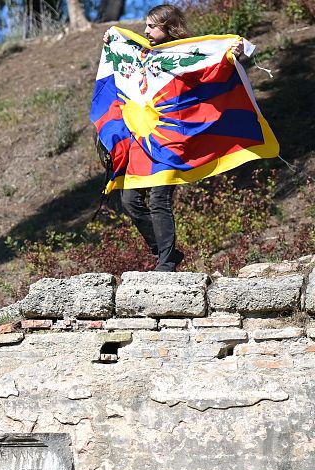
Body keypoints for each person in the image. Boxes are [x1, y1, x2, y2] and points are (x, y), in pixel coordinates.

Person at [102, 5, 243, 272]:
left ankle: (165, 263)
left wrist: (231, 55)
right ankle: (166, 251)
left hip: (172, 138)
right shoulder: (142, 52)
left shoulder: (186, 55)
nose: (145, 30)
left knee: (158, 199)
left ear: (170, 28)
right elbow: (122, 70)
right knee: (129, 201)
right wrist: (112, 44)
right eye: (146, 25)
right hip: (143, 139)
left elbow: (213, 69)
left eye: (152, 26)